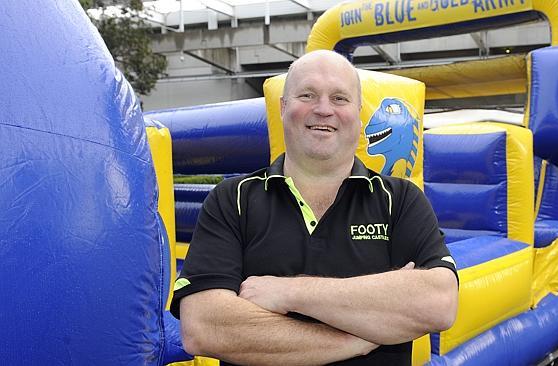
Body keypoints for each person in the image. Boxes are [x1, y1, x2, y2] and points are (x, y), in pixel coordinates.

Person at [170, 50, 459, 365]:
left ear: (358, 113)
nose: (323, 110)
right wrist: (357, 338)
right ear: (283, 107)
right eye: (307, 95)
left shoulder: (399, 200)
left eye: (339, 98)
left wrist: (288, 292)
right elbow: (204, 326)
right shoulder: (232, 199)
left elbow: (438, 302)